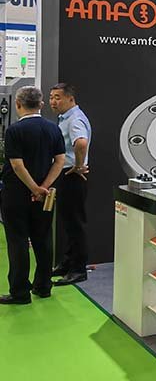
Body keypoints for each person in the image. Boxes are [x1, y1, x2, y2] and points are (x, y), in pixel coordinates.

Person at [0, 86, 66, 304]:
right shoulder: (53, 129)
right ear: (41, 104)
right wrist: (43, 187)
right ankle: (43, 286)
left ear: (18, 104)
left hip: (16, 194)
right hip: (45, 195)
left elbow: (17, 165)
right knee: (43, 238)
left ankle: (20, 292)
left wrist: (33, 188)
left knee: (18, 240)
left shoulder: (14, 131)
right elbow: (60, 161)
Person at [49, 83, 92, 286]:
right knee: (68, 222)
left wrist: (78, 166)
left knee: (75, 223)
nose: (53, 101)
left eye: (57, 97)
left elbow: (81, 143)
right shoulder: (66, 118)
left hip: (72, 177)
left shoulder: (74, 119)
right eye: (51, 97)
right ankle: (67, 263)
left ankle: (78, 269)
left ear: (70, 99)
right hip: (66, 176)